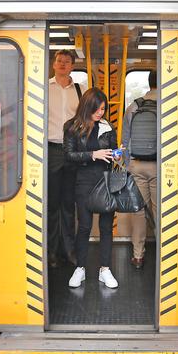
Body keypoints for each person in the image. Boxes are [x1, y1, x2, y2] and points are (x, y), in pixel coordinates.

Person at [63, 87, 120, 289]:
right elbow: (68, 155)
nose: (100, 113)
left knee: (106, 227)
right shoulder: (71, 127)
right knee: (85, 226)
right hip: (83, 180)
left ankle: (105, 269)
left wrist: (117, 154)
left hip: (105, 180)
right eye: (97, 109)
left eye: (103, 109)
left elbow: (113, 151)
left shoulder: (108, 127)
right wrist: (92, 155)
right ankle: (80, 268)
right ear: (87, 107)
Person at [47, 50, 83, 268]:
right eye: (59, 61)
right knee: (51, 206)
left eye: (67, 62)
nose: (62, 64)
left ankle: (69, 251)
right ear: (53, 64)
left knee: (69, 205)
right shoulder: (43, 89)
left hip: (72, 151)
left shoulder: (80, 90)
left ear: (72, 66)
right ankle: (51, 252)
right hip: (49, 150)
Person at [122, 69, 158, 269]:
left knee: (138, 211)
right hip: (161, 167)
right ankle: (165, 252)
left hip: (137, 165)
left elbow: (125, 140)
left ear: (149, 82)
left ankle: (138, 255)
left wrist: (129, 164)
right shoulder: (170, 106)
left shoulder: (134, 106)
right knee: (161, 210)